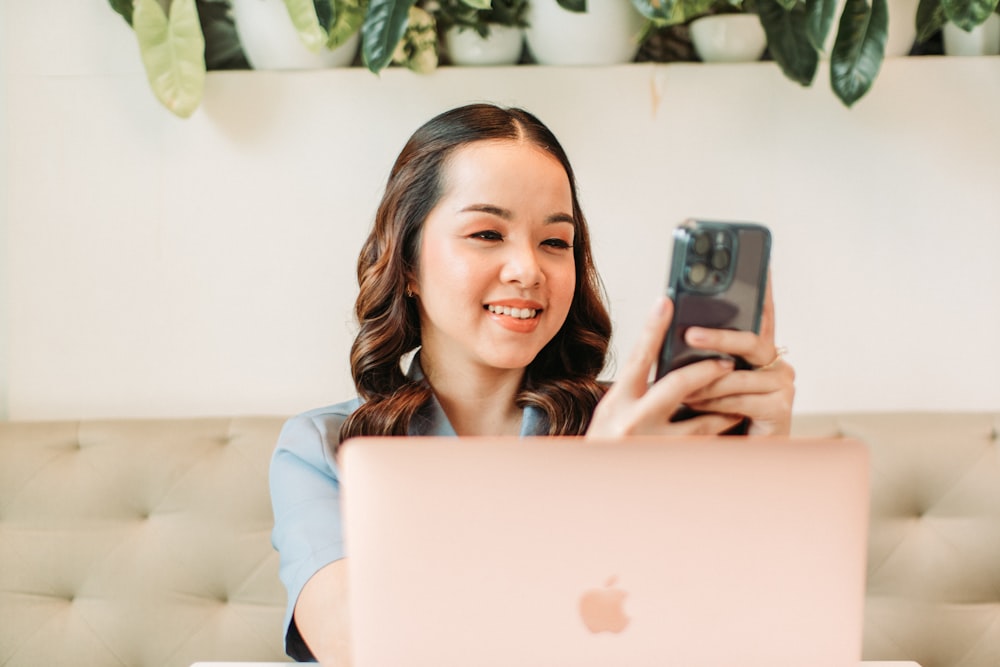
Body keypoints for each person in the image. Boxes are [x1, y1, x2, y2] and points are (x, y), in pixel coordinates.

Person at [269, 103, 795, 665]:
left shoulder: (645, 431)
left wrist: (759, 463)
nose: (528, 269)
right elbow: (355, 645)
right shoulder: (323, 449)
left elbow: (738, 629)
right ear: (409, 264)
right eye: (487, 233)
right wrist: (595, 484)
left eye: (554, 242)